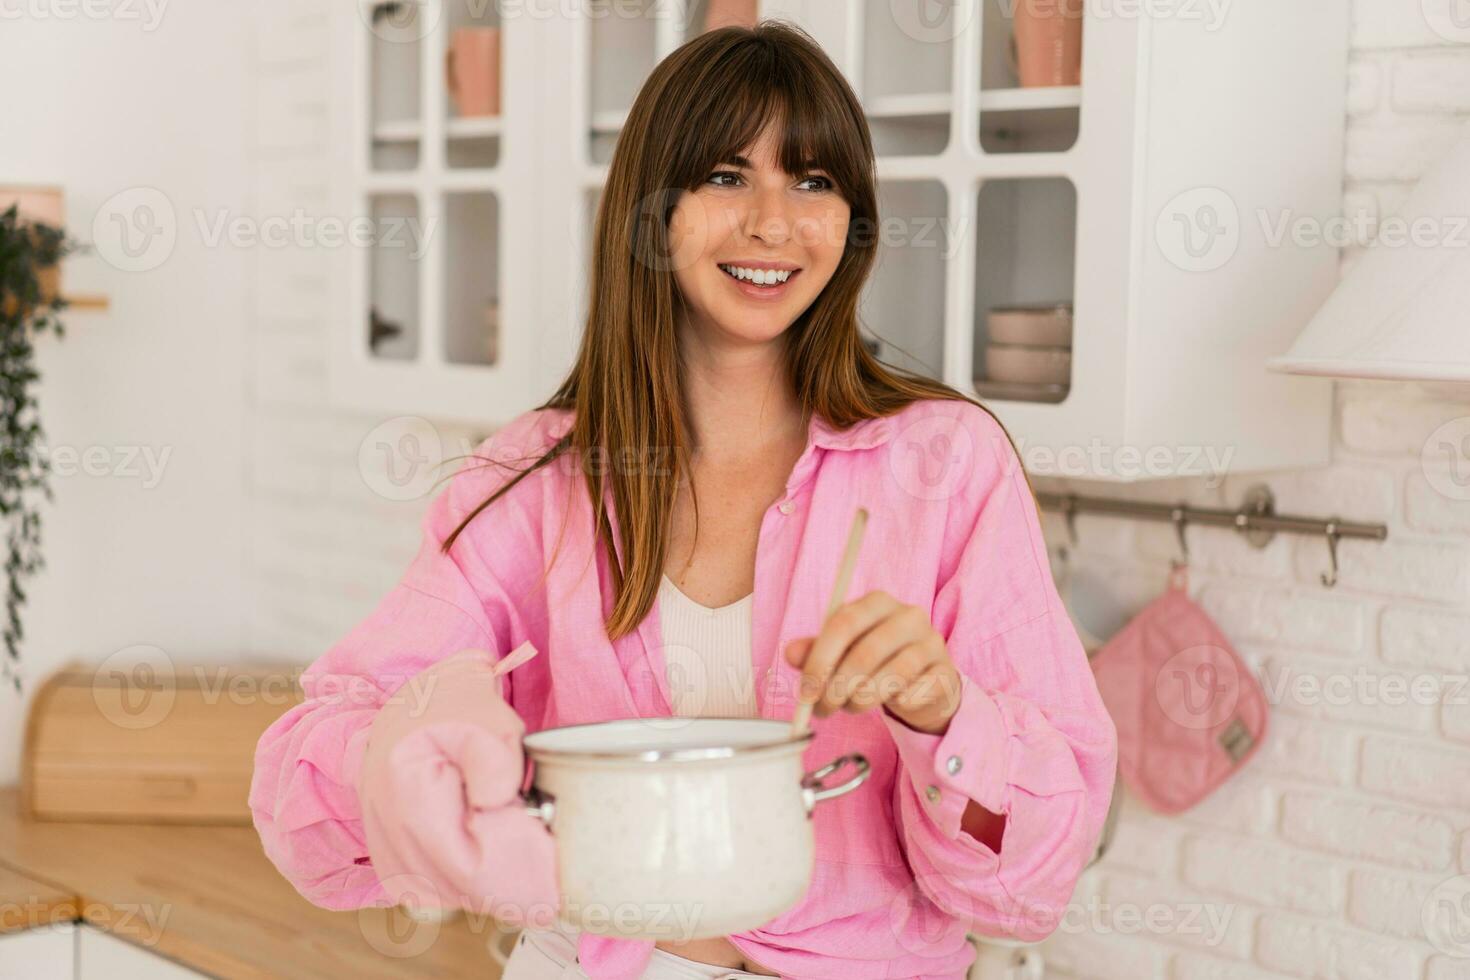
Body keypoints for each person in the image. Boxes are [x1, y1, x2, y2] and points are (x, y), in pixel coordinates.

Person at [249, 20, 1117, 980]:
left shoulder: (948, 465)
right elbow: (302, 793)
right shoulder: (531, 480)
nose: (773, 222)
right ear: (650, 211)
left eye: (814, 180)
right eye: (724, 175)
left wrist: (944, 713)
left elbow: (1031, 882)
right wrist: (418, 742)